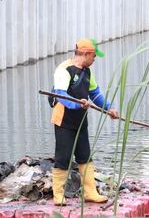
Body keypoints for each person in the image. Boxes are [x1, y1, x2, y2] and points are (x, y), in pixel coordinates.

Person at [50, 38, 119, 205]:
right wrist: (77, 103)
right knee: (63, 157)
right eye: (94, 56)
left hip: (80, 121)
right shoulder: (64, 70)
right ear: (86, 53)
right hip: (64, 120)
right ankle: (58, 195)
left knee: (85, 156)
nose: (95, 59)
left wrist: (108, 108)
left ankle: (90, 193)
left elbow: (95, 94)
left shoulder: (87, 72)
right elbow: (60, 95)